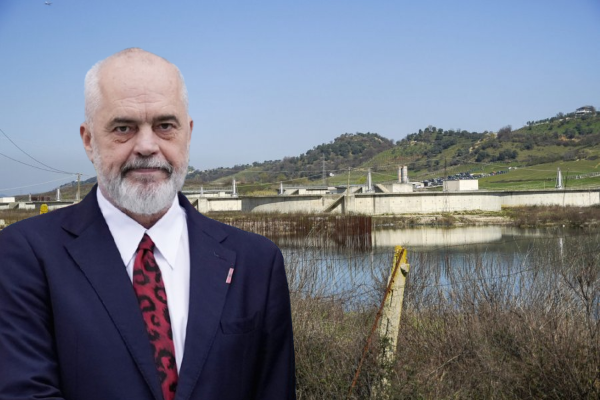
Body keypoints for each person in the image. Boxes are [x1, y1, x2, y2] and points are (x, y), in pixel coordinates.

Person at [0, 48, 296, 400]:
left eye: (164, 126)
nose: (146, 146)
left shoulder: (256, 262)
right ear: (89, 141)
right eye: (123, 128)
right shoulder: (24, 256)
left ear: (188, 134)